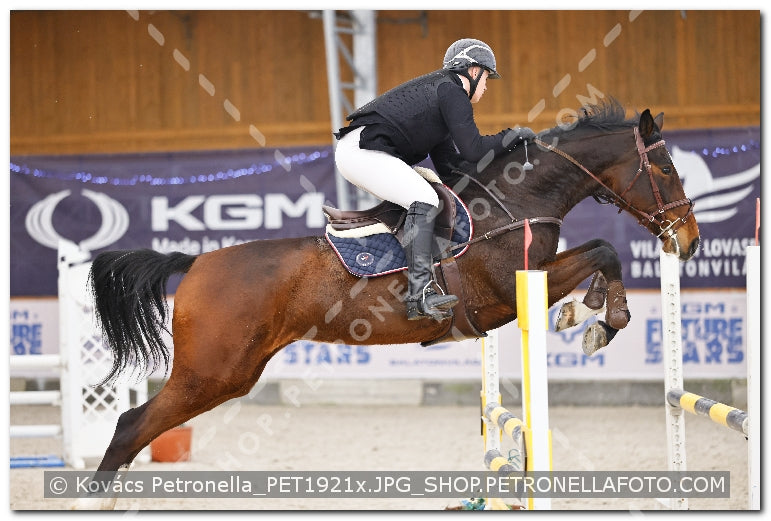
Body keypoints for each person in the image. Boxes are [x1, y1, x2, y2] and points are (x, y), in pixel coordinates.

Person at [334, 38, 536, 321]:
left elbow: (452, 168)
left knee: (430, 192)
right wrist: (511, 136)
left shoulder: (441, 98)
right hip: (361, 151)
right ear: (474, 72)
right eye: (488, 77)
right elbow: (474, 149)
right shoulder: (451, 90)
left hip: (360, 152)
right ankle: (418, 296)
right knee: (425, 199)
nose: (487, 86)